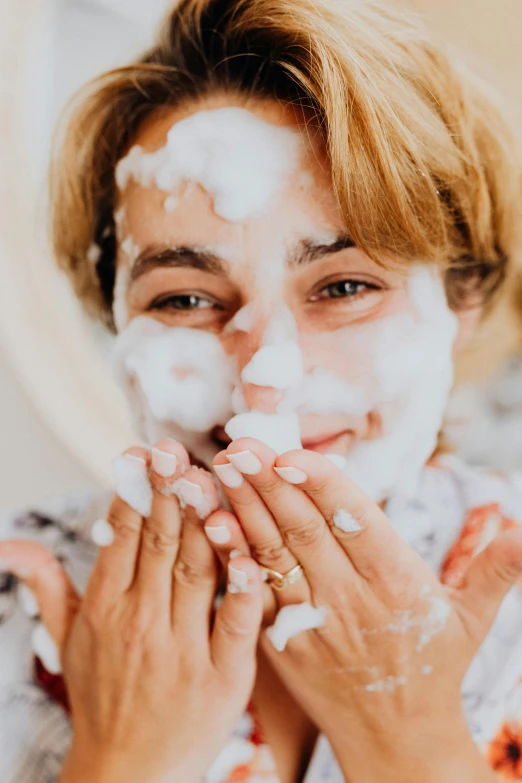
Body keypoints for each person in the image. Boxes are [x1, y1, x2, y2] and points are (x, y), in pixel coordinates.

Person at [1, 0, 522, 781]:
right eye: (183, 298)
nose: (264, 373)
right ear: (118, 321)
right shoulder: (21, 604)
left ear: (462, 301)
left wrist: (409, 743)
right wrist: (120, 762)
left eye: (344, 285)